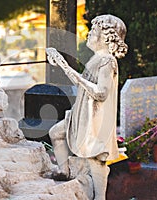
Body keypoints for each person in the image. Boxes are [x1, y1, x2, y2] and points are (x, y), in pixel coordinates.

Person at [46, 14, 128, 200]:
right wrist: (63, 65)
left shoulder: (107, 60)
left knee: (95, 158)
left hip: (95, 118)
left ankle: (100, 197)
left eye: (93, 31)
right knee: (56, 132)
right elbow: (84, 83)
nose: (89, 35)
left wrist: (73, 73)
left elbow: (101, 92)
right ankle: (63, 170)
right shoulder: (96, 59)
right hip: (82, 112)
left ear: (106, 37)